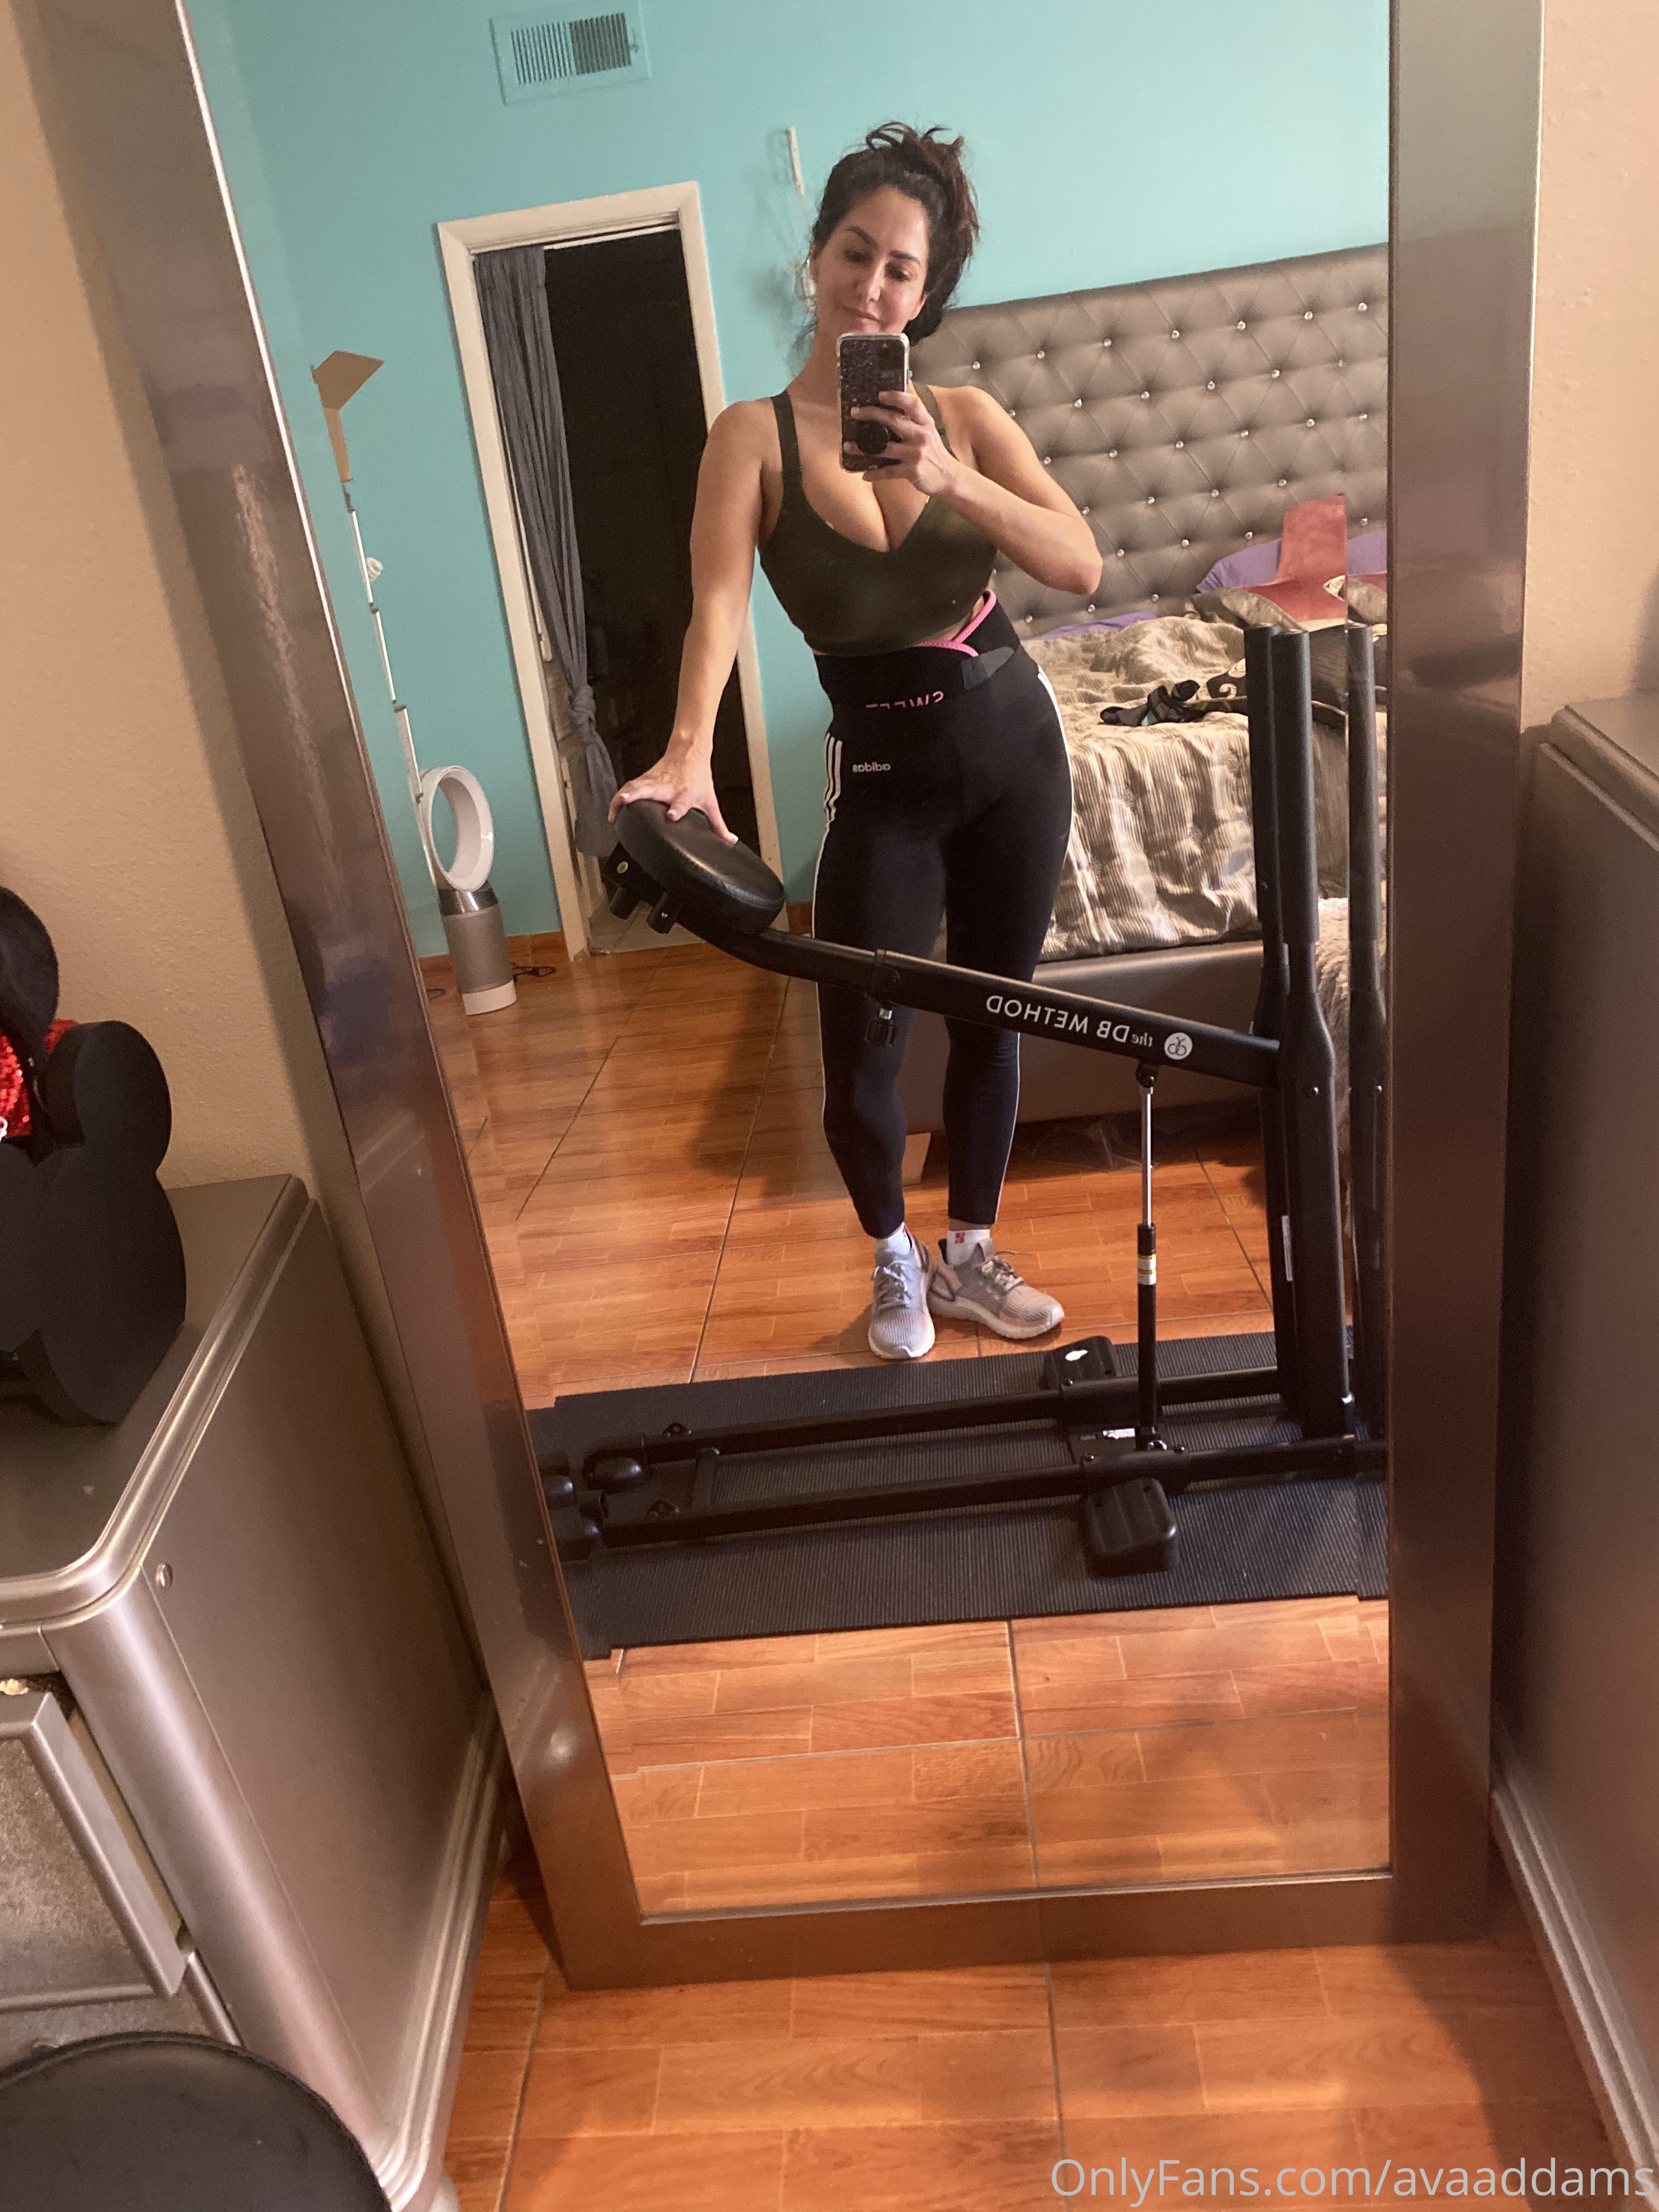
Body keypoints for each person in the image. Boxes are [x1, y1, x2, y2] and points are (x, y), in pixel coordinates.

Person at [610, 122, 1102, 1359]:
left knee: (994, 1018)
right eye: (854, 252)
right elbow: (717, 606)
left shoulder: (967, 419)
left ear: (924, 297)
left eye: (900, 269)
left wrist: (952, 479)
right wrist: (686, 750)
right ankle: (894, 1260)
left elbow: (1082, 565)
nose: (872, 286)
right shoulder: (751, 437)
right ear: (816, 258)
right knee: (862, 1058)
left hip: (1017, 754)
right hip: (885, 779)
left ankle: (968, 1255)